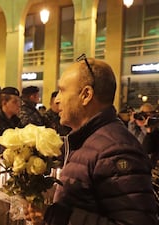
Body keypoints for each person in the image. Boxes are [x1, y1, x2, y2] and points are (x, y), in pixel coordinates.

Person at [26, 55, 158, 225]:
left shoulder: (115, 149)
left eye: (62, 90)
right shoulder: (87, 139)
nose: (57, 100)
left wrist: (56, 216)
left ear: (86, 95)